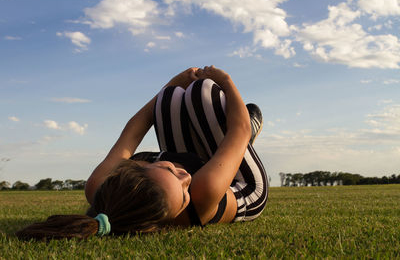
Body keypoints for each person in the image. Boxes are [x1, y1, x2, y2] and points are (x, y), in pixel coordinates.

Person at [16, 66, 268, 240]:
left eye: (170, 170)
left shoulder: (100, 187)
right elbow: (240, 129)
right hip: (243, 188)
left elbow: (133, 130)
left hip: (197, 168)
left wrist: (170, 84)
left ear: (137, 168)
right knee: (204, 90)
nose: (186, 177)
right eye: (182, 196)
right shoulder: (202, 193)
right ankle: (236, 152)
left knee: (169, 97)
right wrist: (225, 80)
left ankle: (211, 144)